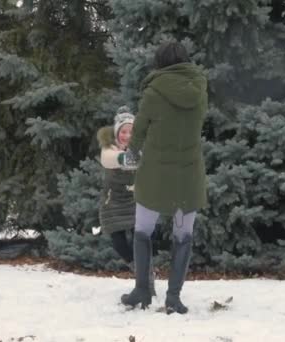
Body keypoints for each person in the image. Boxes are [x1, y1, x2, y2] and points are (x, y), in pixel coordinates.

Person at [119, 41, 208, 314]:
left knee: (143, 231)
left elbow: (141, 129)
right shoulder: (200, 89)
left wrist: (131, 155)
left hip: (155, 174)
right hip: (188, 175)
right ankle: (174, 298)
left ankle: (142, 291)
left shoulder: (154, 91)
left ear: (160, 62)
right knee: (183, 236)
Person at [97, 107, 156, 296]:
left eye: (131, 131)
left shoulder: (142, 146)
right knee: (119, 243)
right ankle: (140, 271)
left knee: (142, 239)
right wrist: (127, 158)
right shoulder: (110, 148)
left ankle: (147, 281)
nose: (127, 135)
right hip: (114, 201)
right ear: (117, 133)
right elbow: (108, 159)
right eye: (123, 131)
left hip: (136, 201)